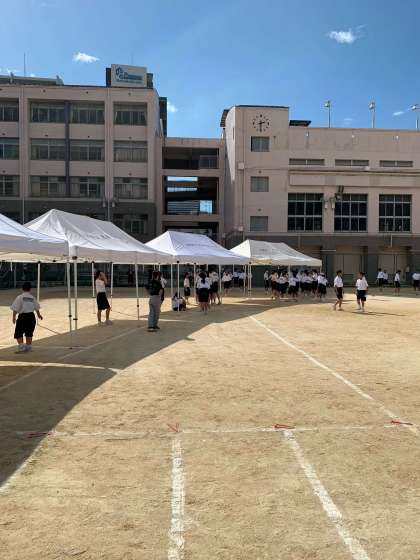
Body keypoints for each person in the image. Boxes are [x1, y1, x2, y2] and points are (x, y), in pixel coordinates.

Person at [11, 281, 43, 353]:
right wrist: (39, 315)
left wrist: (13, 317)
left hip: (23, 317)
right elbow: (36, 307)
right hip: (31, 316)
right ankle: (28, 347)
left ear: (22, 288)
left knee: (18, 332)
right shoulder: (32, 298)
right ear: (30, 289)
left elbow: (15, 308)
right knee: (29, 332)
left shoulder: (20, 297)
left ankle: (21, 348)